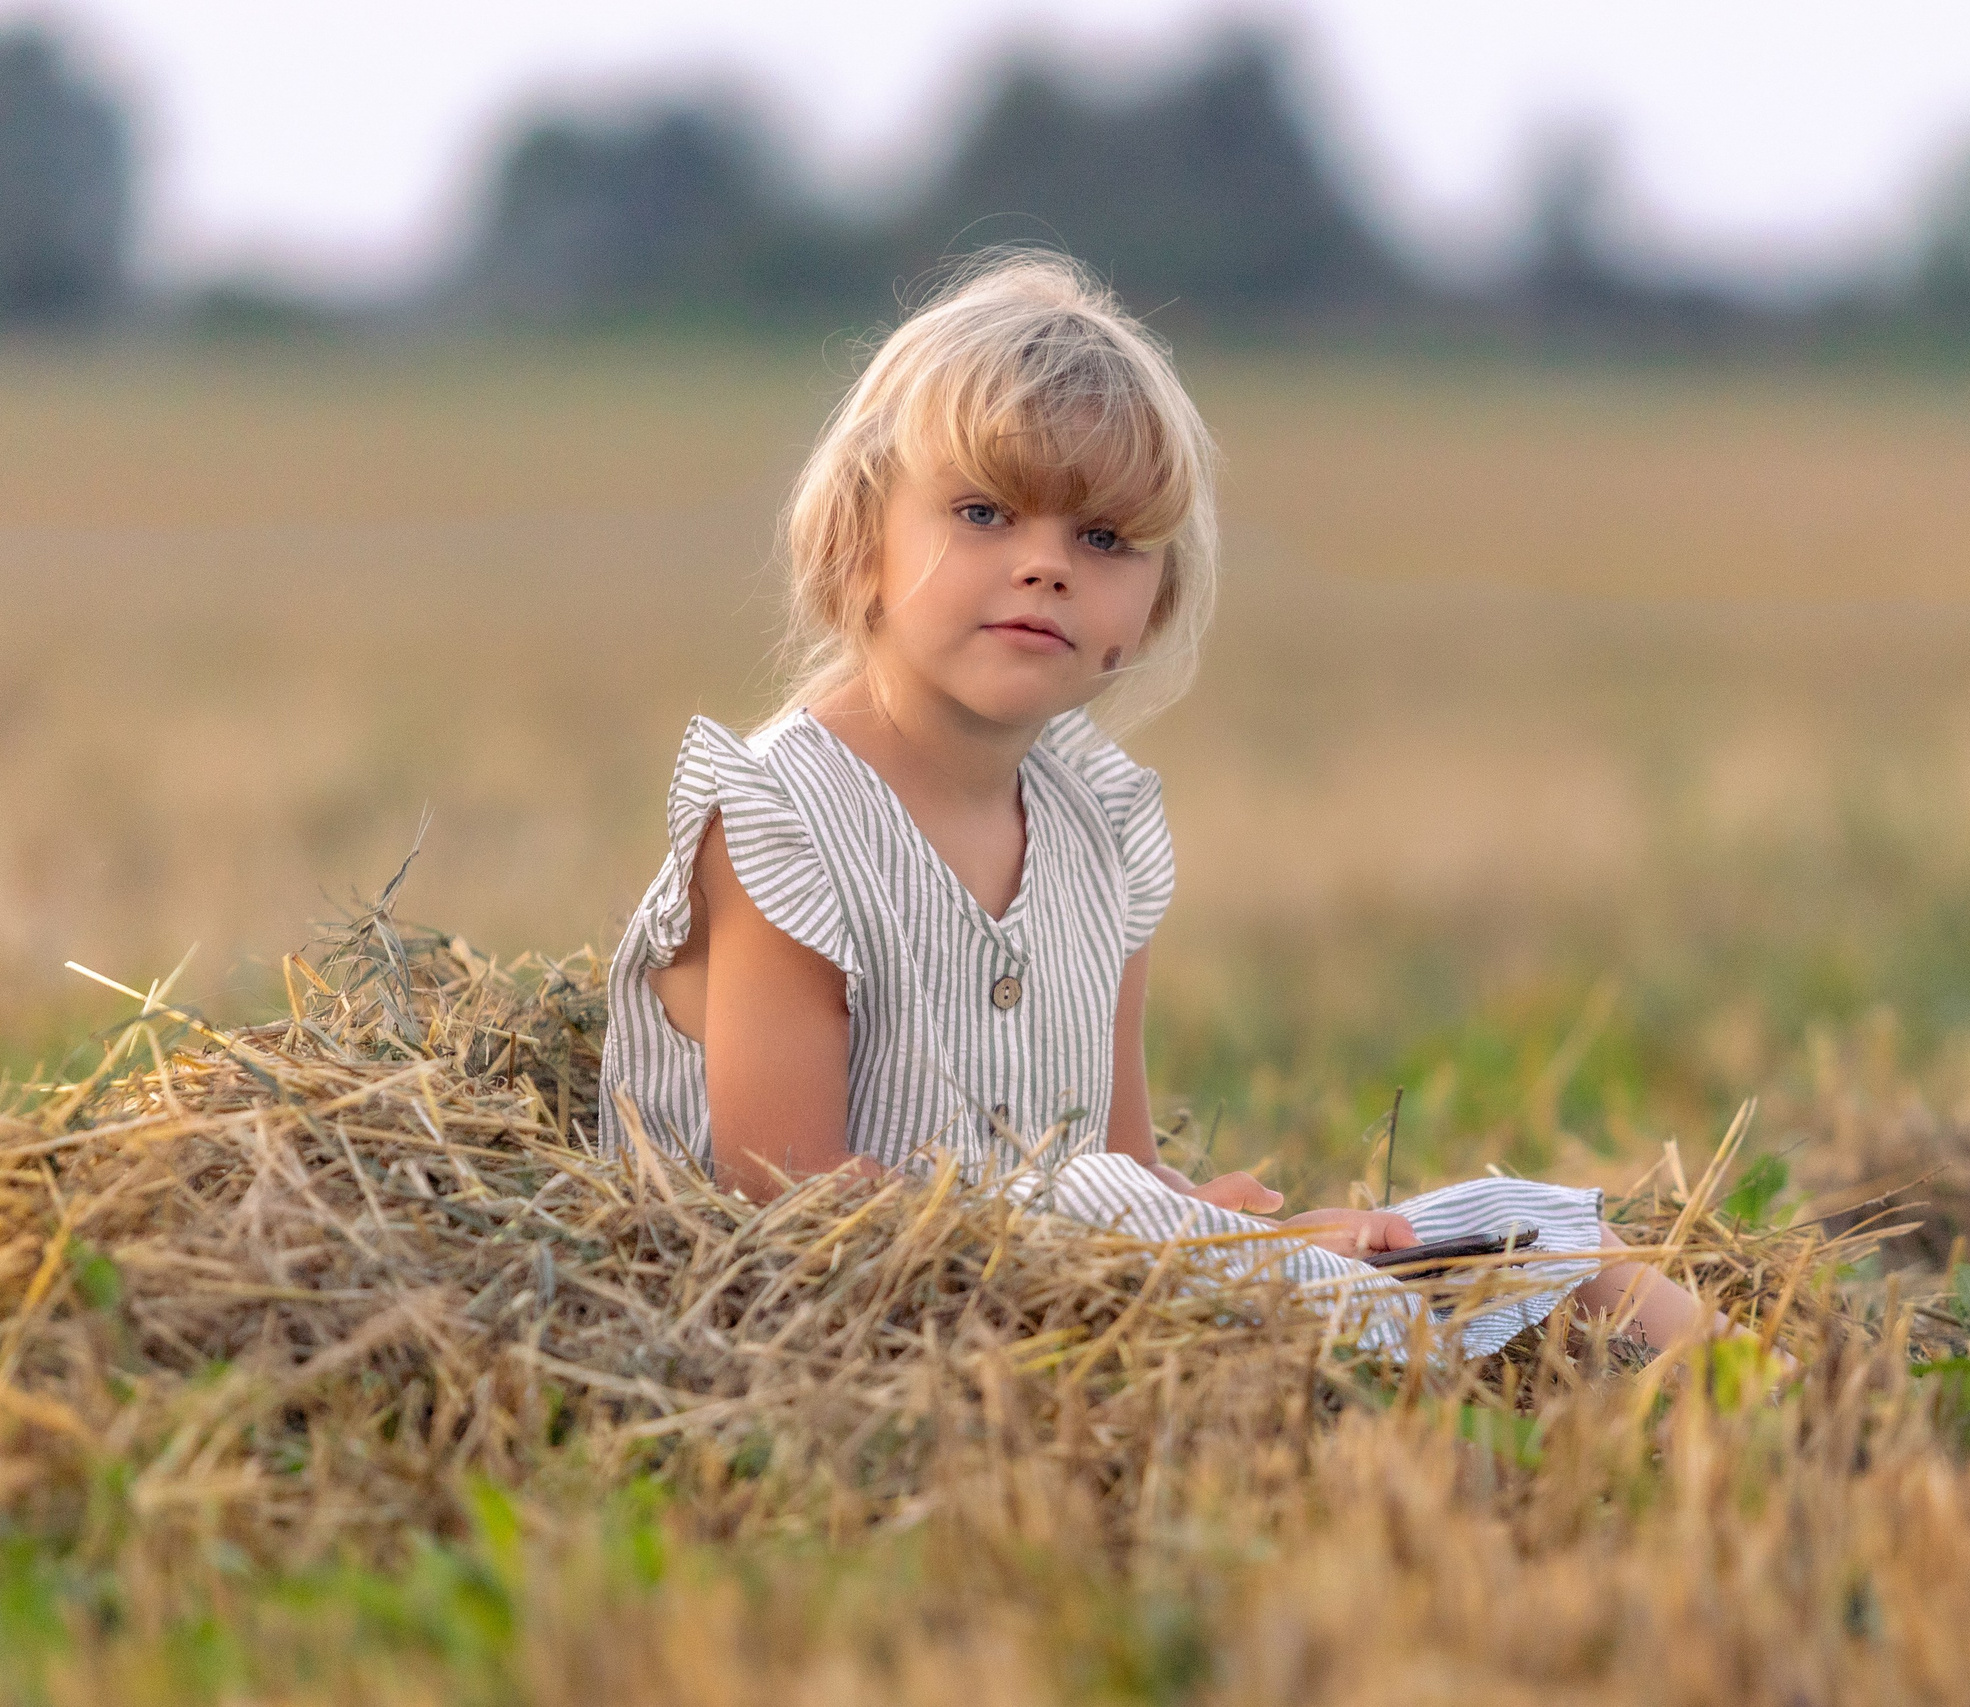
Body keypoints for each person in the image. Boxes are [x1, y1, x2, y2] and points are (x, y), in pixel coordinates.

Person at [597, 251, 1725, 1359]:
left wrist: (1229, 1228)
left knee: (1532, 1229)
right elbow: (786, 1198)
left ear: (1148, 605)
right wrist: (1178, 1249)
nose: (1046, 566)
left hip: (1072, 1283)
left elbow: (1118, 1166)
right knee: (1189, 1245)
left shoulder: (1099, 829)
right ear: (861, 547)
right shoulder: (782, 819)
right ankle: (1391, 1362)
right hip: (855, 1328)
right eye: (984, 513)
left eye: (1101, 539)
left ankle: (1767, 1407)